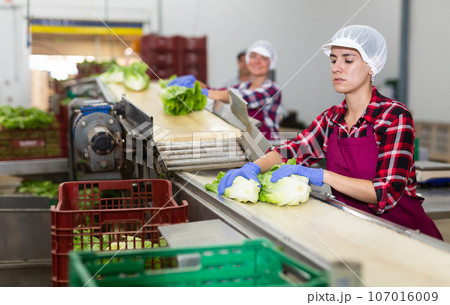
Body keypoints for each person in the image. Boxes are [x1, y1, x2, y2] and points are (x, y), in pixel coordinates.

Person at [217, 25, 443, 240]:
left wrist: (320, 175)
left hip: (406, 236)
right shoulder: (331, 118)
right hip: (358, 229)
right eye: (334, 60)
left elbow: (386, 191)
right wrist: (255, 166)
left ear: (372, 66)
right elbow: (292, 149)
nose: (337, 67)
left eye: (348, 60)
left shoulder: (394, 116)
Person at [168, 40, 283, 140]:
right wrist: (195, 83)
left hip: (267, 146)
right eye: (253, 56)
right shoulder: (244, 86)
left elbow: (239, 98)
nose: (257, 61)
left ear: (271, 63)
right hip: (249, 141)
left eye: (263, 58)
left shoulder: (272, 89)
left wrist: (200, 92)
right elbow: (216, 91)